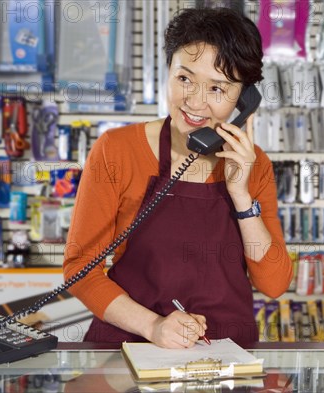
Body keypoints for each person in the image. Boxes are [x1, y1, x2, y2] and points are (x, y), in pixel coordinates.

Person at [63, 7, 293, 349]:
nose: (195, 102)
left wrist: (241, 196)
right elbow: (80, 269)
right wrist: (153, 326)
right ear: (168, 72)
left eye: (218, 89)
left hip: (224, 357)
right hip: (130, 349)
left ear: (245, 99)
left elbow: (274, 283)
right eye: (184, 79)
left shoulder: (254, 164)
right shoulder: (117, 150)